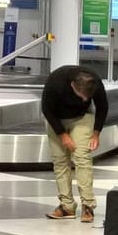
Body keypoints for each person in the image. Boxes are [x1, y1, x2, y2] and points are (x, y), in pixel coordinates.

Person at [40, 65, 106, 223]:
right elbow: (46, 109)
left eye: (87, 97)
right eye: (81, 96)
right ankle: (66, 206)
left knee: (82, 157)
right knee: (60, 160)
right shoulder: (56, 82)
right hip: (56, 118)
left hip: (82, 118)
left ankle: (88, 205)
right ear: (72, 86)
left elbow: (103, 106)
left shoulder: (94, 81)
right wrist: (62, 135)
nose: (84, 99)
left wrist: (96, 133)